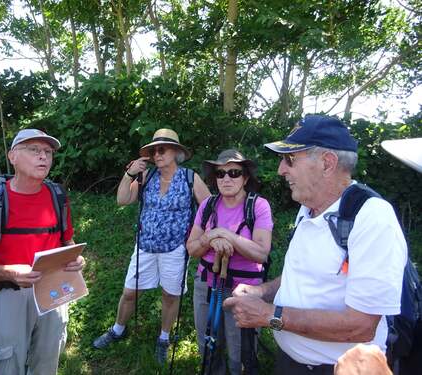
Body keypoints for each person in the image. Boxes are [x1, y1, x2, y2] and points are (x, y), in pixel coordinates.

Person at [223, 115, 407, 375]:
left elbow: (361, 325)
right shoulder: (307, 209)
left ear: (327, 163)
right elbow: (301, 277)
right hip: (291, 363)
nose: (280, 170)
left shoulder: (372, 218)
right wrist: (261, 291)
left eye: (290, 160)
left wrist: (269, 315)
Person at [0, 129, 85, 375]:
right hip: (6, 293)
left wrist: (74, 257)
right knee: (7, 363)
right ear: (12, 156)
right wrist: (10, 273)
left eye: (47, 152)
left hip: (52, 290)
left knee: (47, 360)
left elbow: (67, 241)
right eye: (34, 150)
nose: (43, 157)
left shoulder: (58, 197)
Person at [92, 128, 210, 365]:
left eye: (162, 149)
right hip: (144, 246)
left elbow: (209, 209)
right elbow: (122, 200)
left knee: (170, 295)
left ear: (175, 151)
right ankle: (118, 329)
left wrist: (197, 239)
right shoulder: (147, 177)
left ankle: (164, 338)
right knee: (129, 293)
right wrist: (129, 174)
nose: (157, 154)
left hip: (175, 249)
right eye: (154, 150)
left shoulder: (190, 177)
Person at [186, 149, 273, 374]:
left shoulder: (258, 206)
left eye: (234, 172)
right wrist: (210, 238)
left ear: (245, 178)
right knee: (208, 345)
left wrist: (226, 235)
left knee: (240, 351)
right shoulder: (208, 206)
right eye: (220, 173)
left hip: (243, 291)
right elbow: (192, 247)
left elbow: (262, 253)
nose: (226, 178)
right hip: (206, 283)